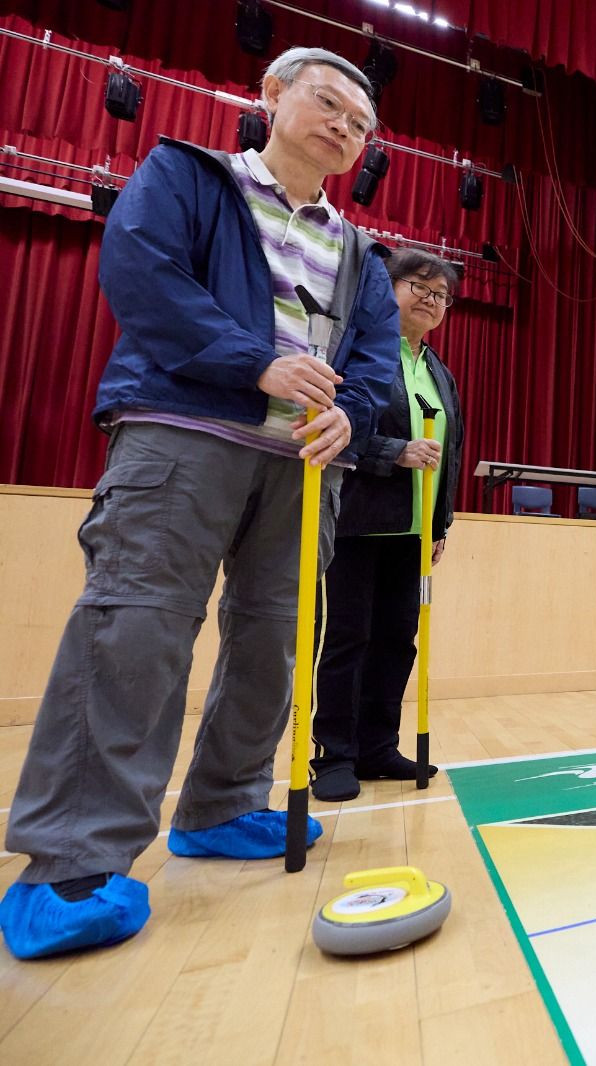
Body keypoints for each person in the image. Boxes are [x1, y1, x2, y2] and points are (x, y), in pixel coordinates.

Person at [0, 47, 398, 960]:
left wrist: (356, 417)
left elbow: (374, 357)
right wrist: (255, 362)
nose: (343, 128)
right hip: (184, 433)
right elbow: (143, 276)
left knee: (274, 639)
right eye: (328, 103)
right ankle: (72, 862)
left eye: (360, 125)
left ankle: (222, 804)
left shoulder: (361, 253)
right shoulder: (189, 177)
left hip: (304, 465)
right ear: (271, 94)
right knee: (136, 628)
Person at [311, 249, 465, 801]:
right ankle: (334, 753)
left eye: (441, 294)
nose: (431, 300)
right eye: (419, 286)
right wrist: (393, 451)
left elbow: (448, 452)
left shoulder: (439, 372)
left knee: (398, 641)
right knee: (347, 639)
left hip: (413, 532)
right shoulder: (362, 352)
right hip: (357, 521)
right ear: (388, 287)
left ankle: (377, 747)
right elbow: (336, 427)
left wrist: (440, 523)